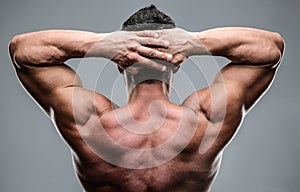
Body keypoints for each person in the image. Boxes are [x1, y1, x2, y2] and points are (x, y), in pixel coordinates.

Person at [9, 5, 284, 192]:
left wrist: (103, 45)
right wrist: (193, 42)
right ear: (177, 64)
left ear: (120, 63)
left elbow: (23, 51)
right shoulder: (206, 120)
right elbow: (270, 50)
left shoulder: (90, 122)